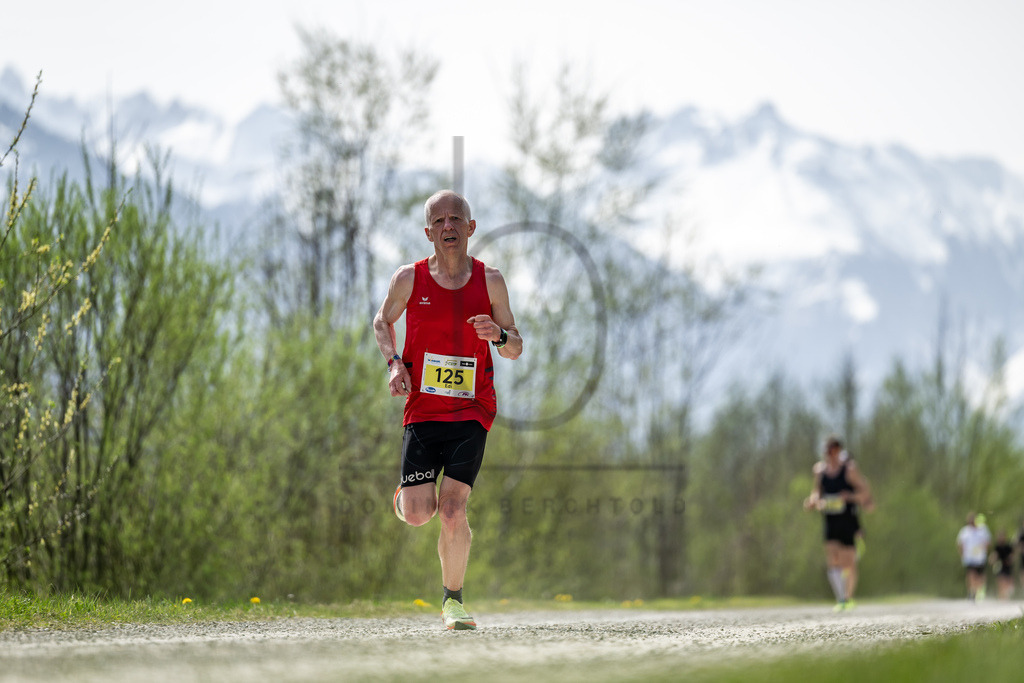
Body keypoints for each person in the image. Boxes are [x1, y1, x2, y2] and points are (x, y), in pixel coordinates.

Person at [372, 189, 522, 630]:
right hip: (423, 410)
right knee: (421, 513)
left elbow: (515, 347)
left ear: (471, 227)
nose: (448, 226)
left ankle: (452, 601)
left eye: (456, 218)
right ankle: (406, 498)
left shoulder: (490, 281)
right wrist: (394, 363)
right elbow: (382, 321)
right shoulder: (409, 279)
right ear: (428, 233)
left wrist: (498, 335)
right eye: (438, 221)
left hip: (472, 410)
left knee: (453, 509)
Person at [803, 436, 874, 611]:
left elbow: (864, 493)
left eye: (834, 450)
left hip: (848, 518)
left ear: (839, 451)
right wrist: (813, 501)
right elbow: (816, 491)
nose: (831, 454)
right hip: (830, 518)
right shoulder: (819, 471)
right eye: (828, 450)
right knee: (833, 558)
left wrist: (849, 497)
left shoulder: (849, 469)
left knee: (848, 561)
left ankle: (847, 597)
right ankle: (841, 598)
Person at [956, 513, 991, 602]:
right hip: (969, 557)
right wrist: (962, 554)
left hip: (980, 557)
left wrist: (984, 549)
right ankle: (971, 592)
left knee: (980, 576)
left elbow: (987, 542)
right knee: (971, 575)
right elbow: (960, 543)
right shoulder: (964, 531)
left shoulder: (982, 530)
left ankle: (980, 591)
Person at [990, 529, 1015, 601]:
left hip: (1008, 566)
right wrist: (992, 559)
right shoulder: (997, 547)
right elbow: (994, 555)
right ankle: (1001, 596)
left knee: (1008, 582)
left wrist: (1010, 559)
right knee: (1001, 580)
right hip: (1000, 566)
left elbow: (1012, 556)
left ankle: (1007, 595)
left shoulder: (1008, 546)